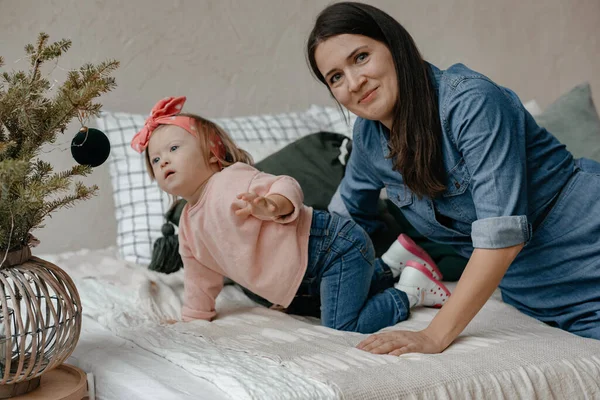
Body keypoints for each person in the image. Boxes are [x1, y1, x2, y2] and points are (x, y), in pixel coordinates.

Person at [306, 1, 600, 354]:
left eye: (361, 57)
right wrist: (284, 276)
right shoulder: (369, 139)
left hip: (588, 241)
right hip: (543, 297)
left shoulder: (470, 102)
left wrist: (433, 335)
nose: (354, 83)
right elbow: (344, 221)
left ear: (394, 46)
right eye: (335, 77)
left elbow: (501, 234)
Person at [130, 96, 451, 334]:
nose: (164, 162)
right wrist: (194, 319)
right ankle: (393, 261)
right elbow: (201, 278)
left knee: (342, 323)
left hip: (334, 247)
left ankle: (410, 292)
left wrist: (274, 204)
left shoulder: (230, 180)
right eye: (155, 160)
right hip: (309, 274)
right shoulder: (187, 225)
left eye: (173, 149)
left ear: (214, 153)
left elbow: (285, 184)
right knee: (322, 302)